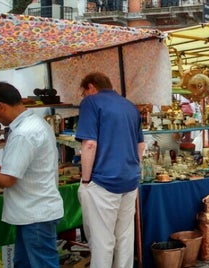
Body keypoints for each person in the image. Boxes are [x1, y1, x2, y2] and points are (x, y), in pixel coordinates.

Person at [0, 82, 64, 267]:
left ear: (1, 105)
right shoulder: (35, 123)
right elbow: (24, 169)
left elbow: (7, 181)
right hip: (33, 211)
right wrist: (2, 169)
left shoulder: (24, 133)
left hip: (35, 212)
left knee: (42, 264)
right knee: (23, 263)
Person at [76, 72, 145, 268]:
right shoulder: (130, 106)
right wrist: (132, 168)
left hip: (102, 181)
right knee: (124, 238)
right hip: (129, 181)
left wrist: (86, 180)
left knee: (102, 241)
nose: (84, 96)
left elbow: (89, 144)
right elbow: (141, 146)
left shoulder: (91, 103)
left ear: (90, 87)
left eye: (83, 92)